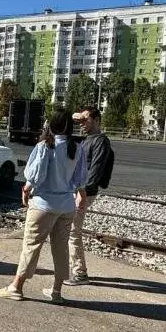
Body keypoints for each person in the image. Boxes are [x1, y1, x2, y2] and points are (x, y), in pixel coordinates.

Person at [0, 110, 87, 304]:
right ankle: (56, 292)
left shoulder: (45, 146)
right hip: (66, 206)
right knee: (61, 248)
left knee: (31, 245)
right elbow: (79, 180)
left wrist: (26, 190)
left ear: (50, 126)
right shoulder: (76, 148)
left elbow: (36, 175)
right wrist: (81, 196)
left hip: (44, 205)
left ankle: (16, 287)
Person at [64, 106, 114, 286]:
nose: (82, 124)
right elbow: (62, 132)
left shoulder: (100, 141)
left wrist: (82, 192)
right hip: (79, 190)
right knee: (69, 230)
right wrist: (73, 117)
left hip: (84, 192)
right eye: (80, 121)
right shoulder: (87, 139)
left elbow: (96, 169)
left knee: (72, 231)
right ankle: (74, 269)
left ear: (97, 120)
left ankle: (80, 273)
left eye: (85, 120)